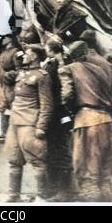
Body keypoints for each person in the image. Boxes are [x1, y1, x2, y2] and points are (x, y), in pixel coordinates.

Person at [59, 41, 112, 202]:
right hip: (107, 121)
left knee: (88, 177)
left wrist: (70, 111)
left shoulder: (68, 69)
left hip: (86, 120)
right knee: (105, 177)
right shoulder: (102, 69)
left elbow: (67, 95)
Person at [4, 44, 53, 202]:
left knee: (37, 160)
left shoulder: (42, 76)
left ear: (34, 56)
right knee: (14, 160)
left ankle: (42, 197)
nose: (23, 56)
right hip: (14, 123)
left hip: (29, 123)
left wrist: (41, 126)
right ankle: (13, 196)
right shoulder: (21, 74)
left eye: (27, 53)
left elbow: (47, 104)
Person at [42, 39, 73, 201]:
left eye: (46, 47)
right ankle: (54, 190)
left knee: (61, 151)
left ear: (51, 50)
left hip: (59, 113)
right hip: (53, 113)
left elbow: (64, 89)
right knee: (52, 151)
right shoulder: (52, 64)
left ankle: (64, 192)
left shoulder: (60, 65)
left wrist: (62, 108)